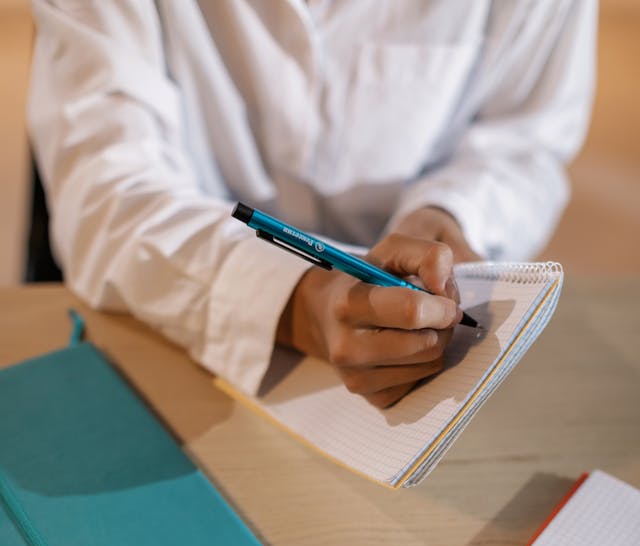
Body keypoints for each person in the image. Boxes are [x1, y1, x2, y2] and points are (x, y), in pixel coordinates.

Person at [28, 1, 597, 408]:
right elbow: (108, 190)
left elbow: (526, 143)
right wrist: (297, 302)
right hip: (171, 341)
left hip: (417, 347)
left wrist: (447, 217)